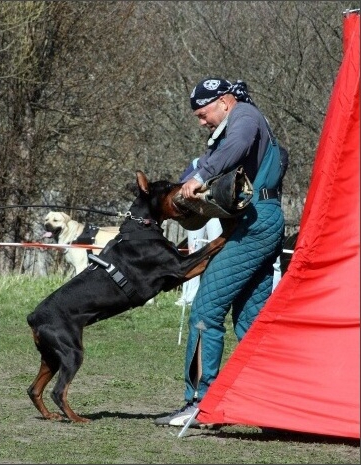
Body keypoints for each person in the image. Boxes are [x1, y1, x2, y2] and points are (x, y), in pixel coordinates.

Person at [154, 78, 285, 427]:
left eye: (203, 114)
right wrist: (184, 186)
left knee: (205, 311)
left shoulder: (245, 117)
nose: (201, 121)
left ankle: (199, 402)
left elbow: (233, 150)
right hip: (258, 219)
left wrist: (204, 177)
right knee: (250, 321)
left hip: (254, 222)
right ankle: (272, 405)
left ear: (223, 102)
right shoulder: (230, 126)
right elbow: (200, 165)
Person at [175, 158, 223, 307]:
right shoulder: (197, 162)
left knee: (216, 249)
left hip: (215, 210)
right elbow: (182, 182)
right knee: (193, 250)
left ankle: (213, 294)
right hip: (196, 211)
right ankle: (188, 294)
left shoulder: (224, 161)